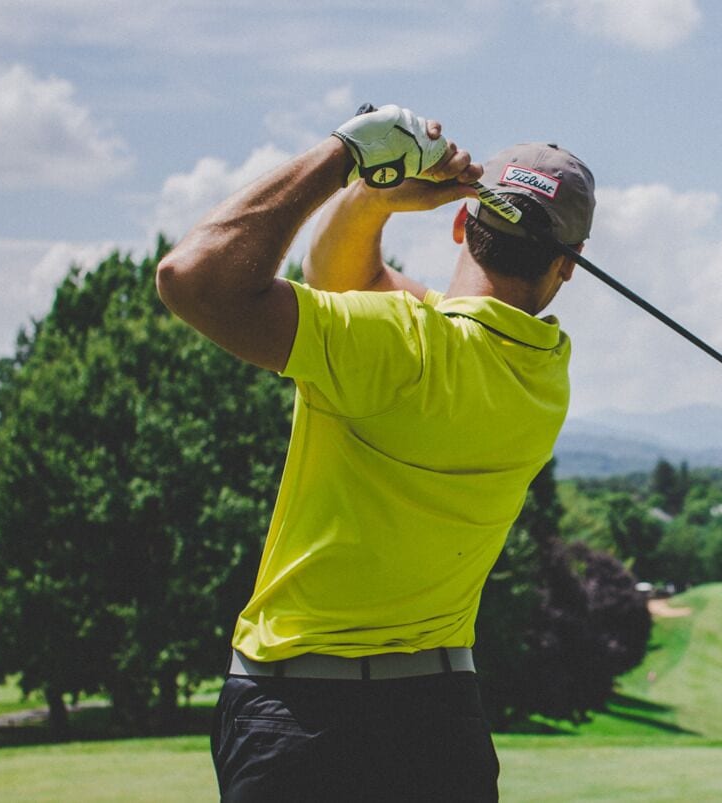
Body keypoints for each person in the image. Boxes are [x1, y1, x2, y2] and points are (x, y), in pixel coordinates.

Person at [156, 103, 595, 801]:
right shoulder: (544, 379)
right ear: (566, 269)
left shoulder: (394, 344)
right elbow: (348, 282)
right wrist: (367, 201)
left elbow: (191, 276)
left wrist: (346, 156)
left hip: (299, 719)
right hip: (443, 726)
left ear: (459, 221)